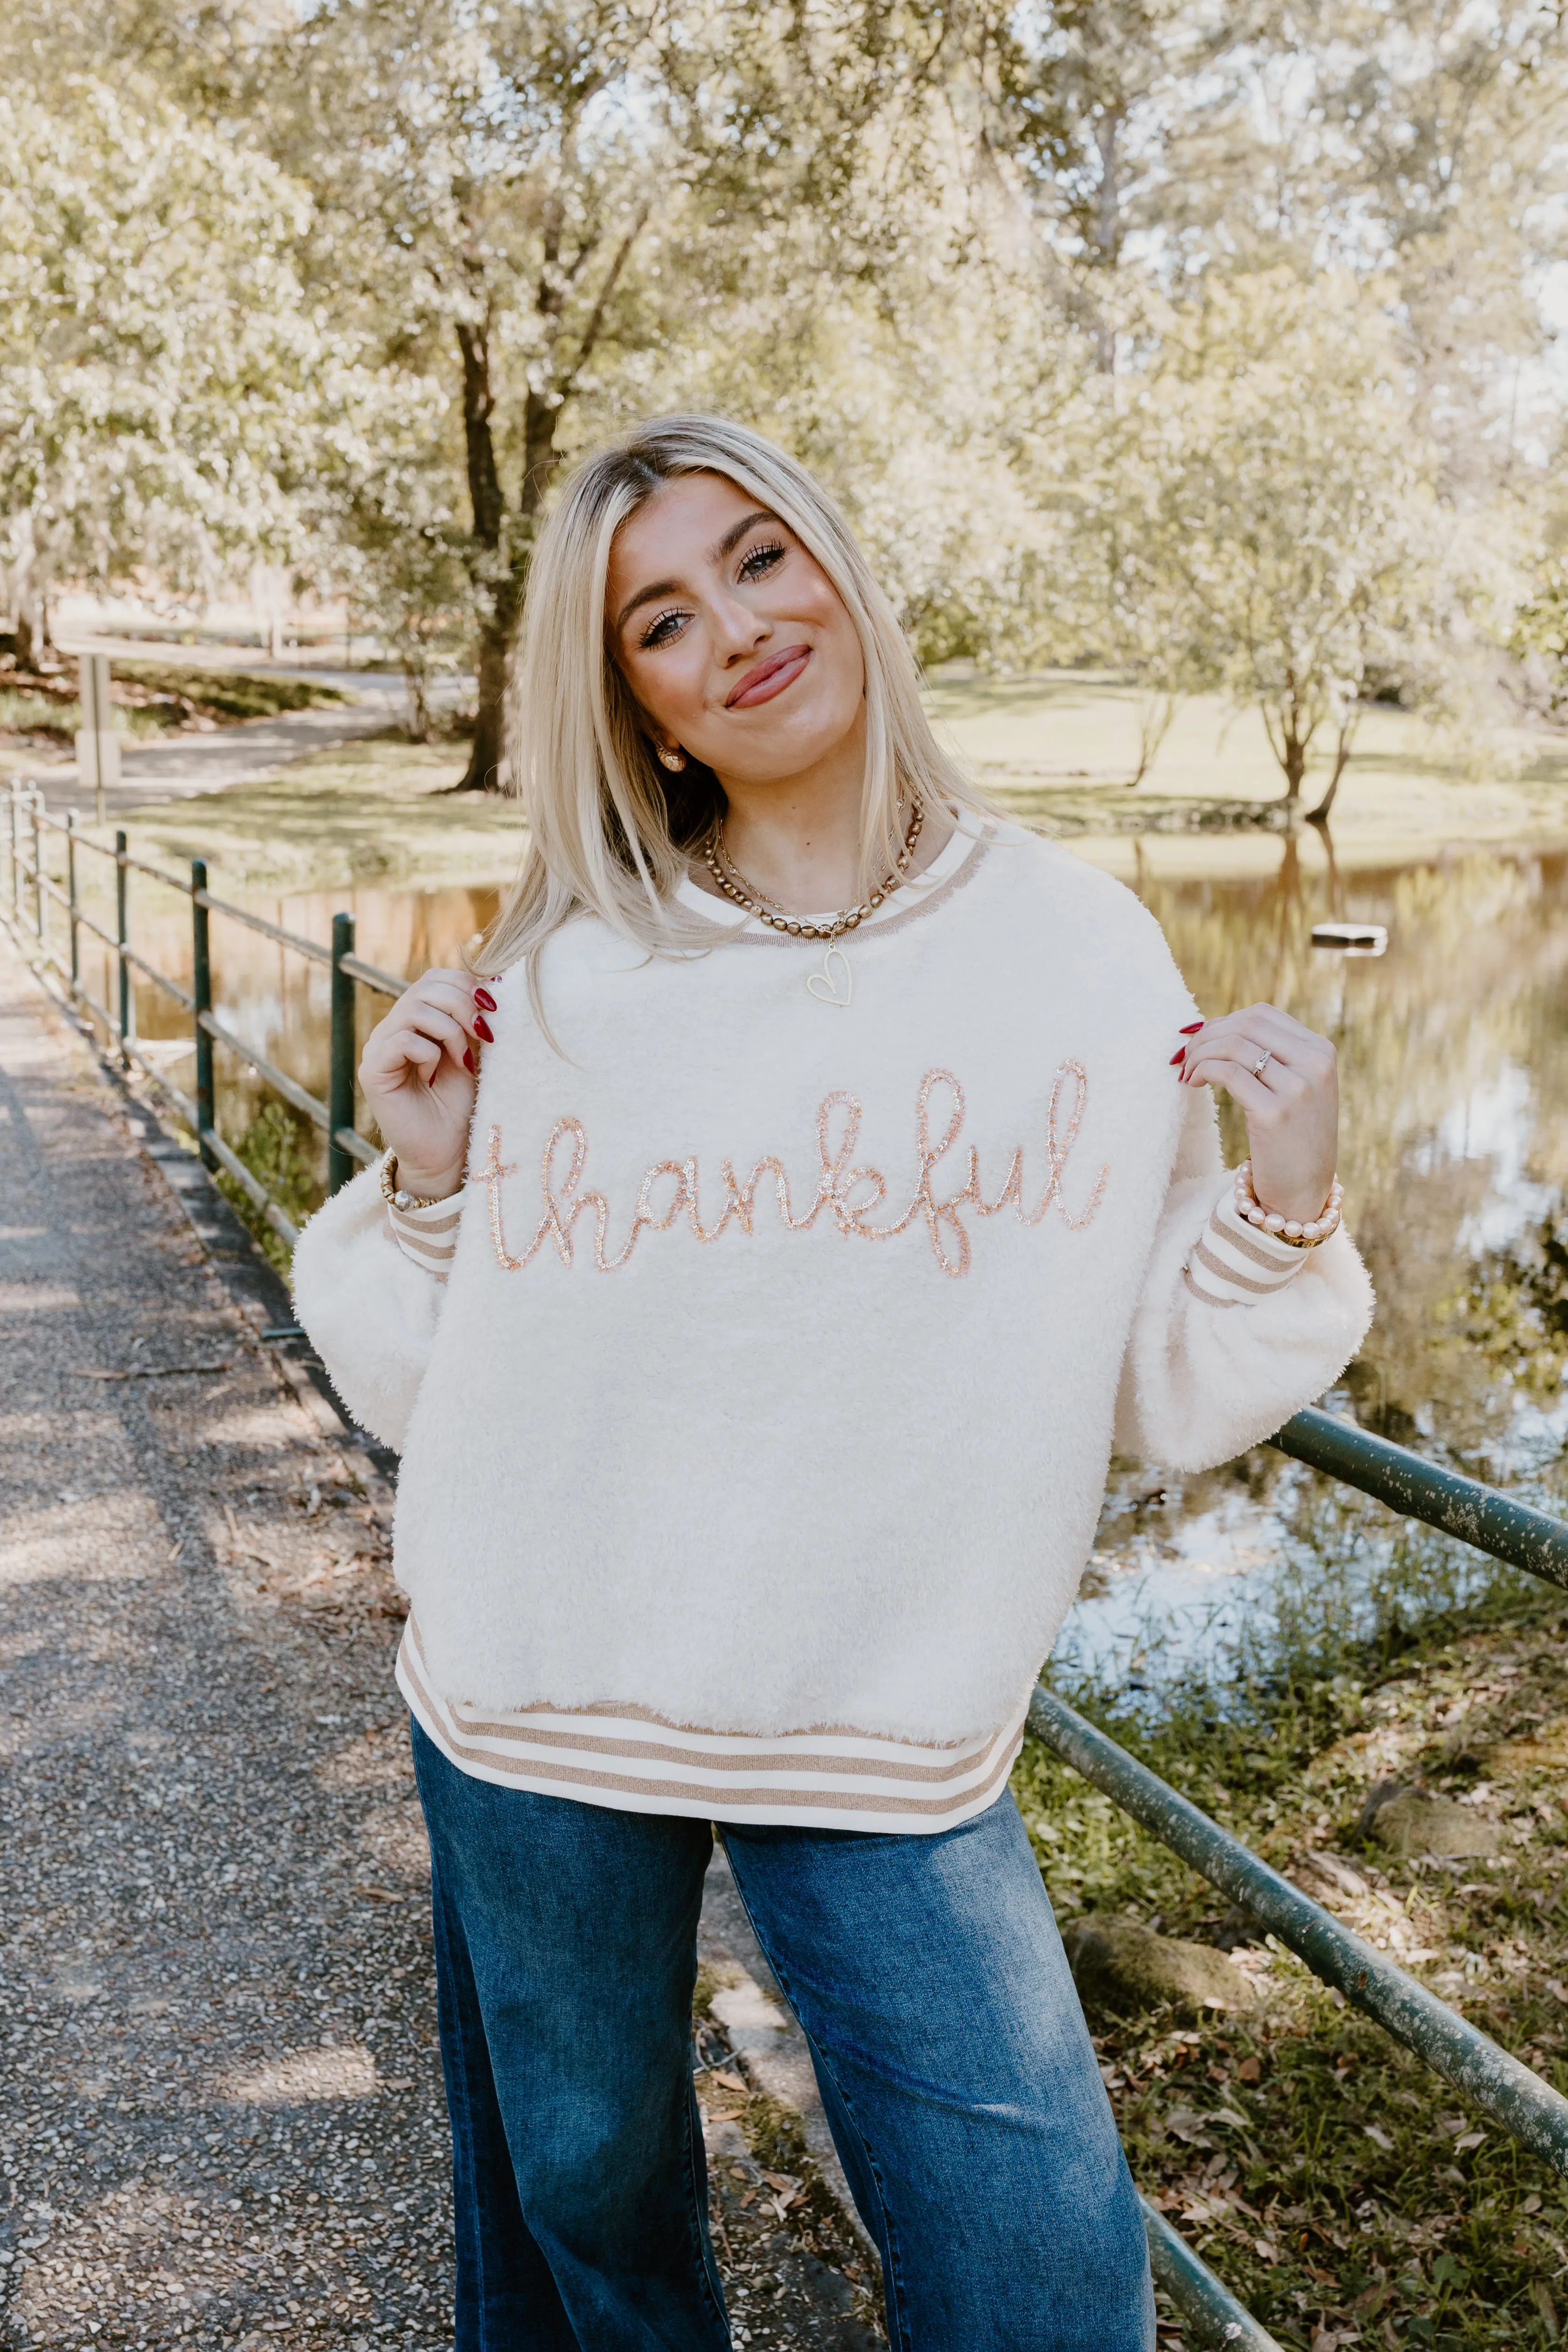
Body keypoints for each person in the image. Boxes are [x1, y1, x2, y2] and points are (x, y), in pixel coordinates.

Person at [292, 413, 1372, 2352]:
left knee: (1038, 2265)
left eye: (760, 557)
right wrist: (432, 1174)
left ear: (839, 567)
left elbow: (1145, 1373)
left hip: (883, 1716)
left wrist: (1285, 1211)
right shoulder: (569, 971)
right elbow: (420, 1380)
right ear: (639, 706)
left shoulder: (1076, 951)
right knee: (590, 2198)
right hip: (546, 1688)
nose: (738, 628)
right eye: (663, 619)